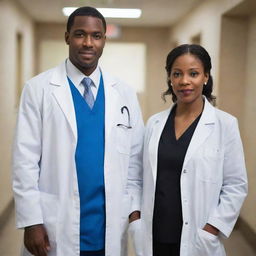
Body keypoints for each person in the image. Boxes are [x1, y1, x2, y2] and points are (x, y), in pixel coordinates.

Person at [12, 6, 143, 256]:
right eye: (80, 34)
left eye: (96, 36)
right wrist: (31, 221)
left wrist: (134, 210)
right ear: (67, 37)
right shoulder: (38, 89)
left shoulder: (124, 92)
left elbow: (135, 161)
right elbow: (24, 160)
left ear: (104, 39)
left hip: (109, 224)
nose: (87, 43)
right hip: (55, 224)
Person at [141, 44, 248, 256]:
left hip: (198, 238)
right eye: (177, 74)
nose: (184, 81)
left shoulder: (224, 124)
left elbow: (236, 184)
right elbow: (137, 176)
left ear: (206, 77)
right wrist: (135, 218)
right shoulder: (154, 123)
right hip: (154, 235)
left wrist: (212, 227)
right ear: (170, 79)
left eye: (194, 73)